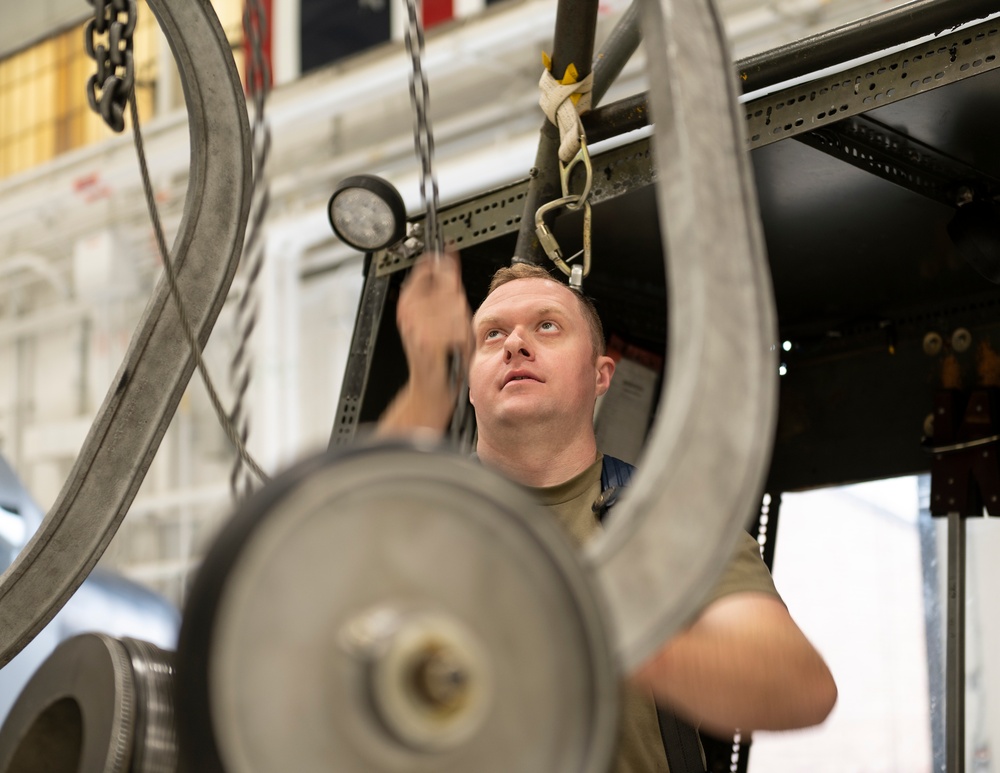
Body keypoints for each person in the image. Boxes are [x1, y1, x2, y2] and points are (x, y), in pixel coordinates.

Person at [378, 253, 837, 771]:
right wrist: (425, 385)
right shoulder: (427, 525)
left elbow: (801, 687)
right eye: (491, 335)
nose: (515, 344)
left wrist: (606, 635)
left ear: (601, 376)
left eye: (547, 326)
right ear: (469, 381)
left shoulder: (667, 523)